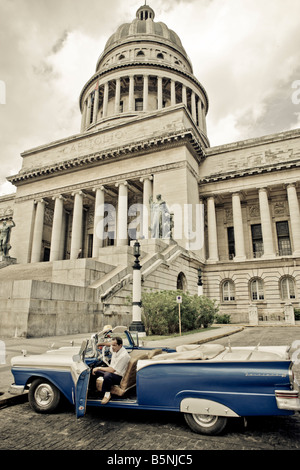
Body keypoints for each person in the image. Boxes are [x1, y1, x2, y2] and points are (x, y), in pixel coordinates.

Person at [92, 336, 130, 404]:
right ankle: (93, 391)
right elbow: (110, 344)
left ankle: (107, 394)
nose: (112, 347)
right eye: (112, 345)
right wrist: (101, 344)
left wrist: (99, 368)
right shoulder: (115, 348)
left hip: (118, 376)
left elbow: (112, 370)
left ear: (120, 345)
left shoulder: (124, 355)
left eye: (114, 345)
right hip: (113, 372)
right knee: (93, 371)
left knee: (107, 375)